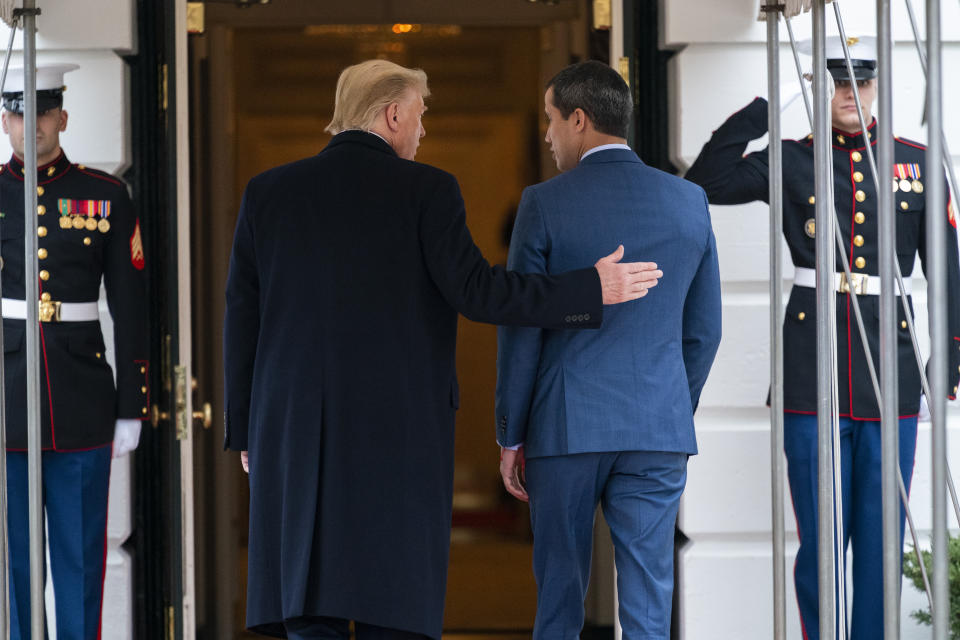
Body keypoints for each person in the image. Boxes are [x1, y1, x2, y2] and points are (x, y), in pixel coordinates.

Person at [222, 58, 664, 640]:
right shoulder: (427, 190)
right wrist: (589, 288)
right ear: (393, 113)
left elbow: (242, 317)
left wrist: (246, 431)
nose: (424, 130)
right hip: (396, 428)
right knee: (391, 605)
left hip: (292, 429)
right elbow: (479, 292)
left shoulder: (268, 193)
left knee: (309, 604)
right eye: (422, 115)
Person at [685, 37, 960, 639]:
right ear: (819, 89)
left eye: (860, 83)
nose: (849, 95)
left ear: (877, 88)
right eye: (836, 83)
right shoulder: (791, 158)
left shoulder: (914, 160)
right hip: (812, 365)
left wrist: (952, 356)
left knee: (882, 539)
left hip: (891, 367)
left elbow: (948, 270)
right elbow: (707, 179)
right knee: (819, 539)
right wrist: (771, 103)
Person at [495, 60, 722, 639]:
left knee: (560, 602)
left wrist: (510, 435)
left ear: (579, 119)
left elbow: (523, 325)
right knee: (649, 605)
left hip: (565, 428)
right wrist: (669, 402)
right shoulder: (689, 200)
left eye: (549, 121)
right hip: (657, 426)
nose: (546, 136)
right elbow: (704, 332)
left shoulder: (544, 204)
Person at [0, 64, 150, 639]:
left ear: (62, 116)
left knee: (81, 561)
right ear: (6, 120)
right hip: (8, 401)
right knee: (14, 566)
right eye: (18, 112)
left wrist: (131, 403)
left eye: (42, 111)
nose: (30, 124)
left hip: (81, 399)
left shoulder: (105, 195)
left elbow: (132, 306)